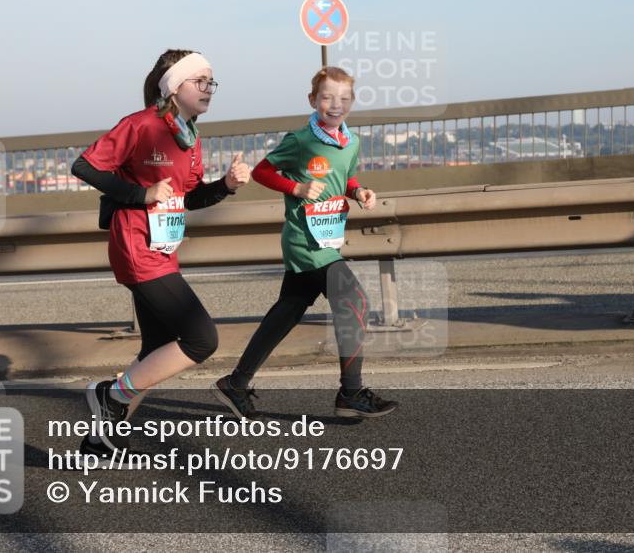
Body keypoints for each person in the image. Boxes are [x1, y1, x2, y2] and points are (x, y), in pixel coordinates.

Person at [71, 49, 250, 456]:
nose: (209, 89)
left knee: (155, 350)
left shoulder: (189, 137)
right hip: (137, 247)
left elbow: (189, 198)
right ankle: (110, 397)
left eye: (211, 82)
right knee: (201, 339)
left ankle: (98, 441)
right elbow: (84, 166)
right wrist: (141, 193)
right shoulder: (141, 126)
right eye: (199, 81)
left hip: (162, 248)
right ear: (174, 87)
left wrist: (226, 185)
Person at [213, 67, 397, 420]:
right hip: (304, 240)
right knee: (354, 299)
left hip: (328, 238)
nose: (335, 105)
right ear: (313, 100)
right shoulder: (299, 141)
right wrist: (295, 188)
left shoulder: (351, 141)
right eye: (327, 97)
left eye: (344, 98)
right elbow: (265, 171)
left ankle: (236, 384)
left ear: (352, 102)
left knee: (288, 309)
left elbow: (344, 176)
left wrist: (358, 190)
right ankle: (351, 392)